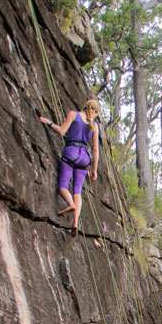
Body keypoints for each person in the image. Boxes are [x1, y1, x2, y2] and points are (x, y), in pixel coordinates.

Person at [40, 100, 99, 237]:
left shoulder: (73, 114)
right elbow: (95, 150)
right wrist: (94, 170)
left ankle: (71, 204)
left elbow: (61, 131)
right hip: (84, 157)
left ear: (85, 107)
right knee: (77, 190)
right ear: (95, 112)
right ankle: (75, 222)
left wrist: (49, 122)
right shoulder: (95, 126)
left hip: (71, 151)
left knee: (62, 187)